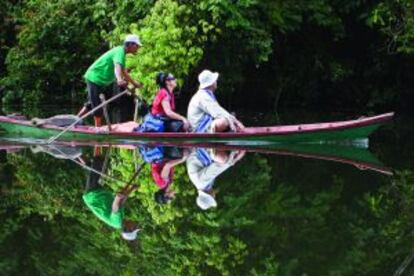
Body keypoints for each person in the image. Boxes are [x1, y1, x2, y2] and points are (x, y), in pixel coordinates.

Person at [79, 34, 143, 127]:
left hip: (101, 81)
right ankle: (98, 130)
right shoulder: (119, 51)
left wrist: (134, 83)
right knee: (97, 106)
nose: (138, 48)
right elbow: (117, 66)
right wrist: (119, 79)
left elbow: (124, 71)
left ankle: (75, 119)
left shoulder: (122, 54)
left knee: (91, 103)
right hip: (95, 78)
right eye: (137, 46)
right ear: (130, 45)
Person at [82, 147, 141, 241]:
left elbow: (115, 207)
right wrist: (131, 189)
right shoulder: (121, 220)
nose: (135, 224)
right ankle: (74, 150)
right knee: (90, 167)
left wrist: (117, 198)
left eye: (134, 227)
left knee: (98, 163)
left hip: (94, 195)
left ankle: (98, 141)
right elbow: (122, 202)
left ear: (129, 229)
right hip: (98, 193)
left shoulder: (117, 222)